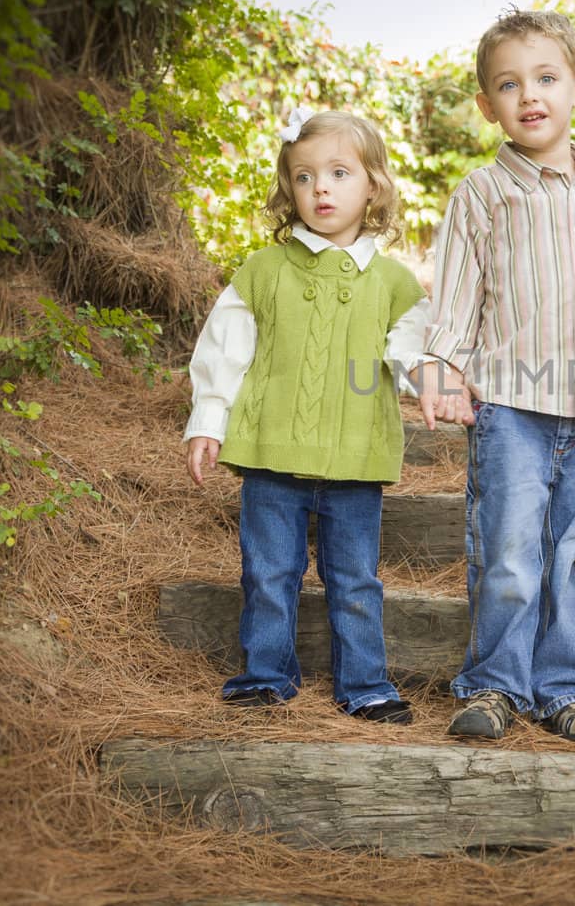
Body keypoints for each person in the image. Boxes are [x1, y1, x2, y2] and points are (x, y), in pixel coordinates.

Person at [412, 9, 575, 745]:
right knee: (508, 552)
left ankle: (565, 690)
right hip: (513, 410)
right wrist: (441, 370)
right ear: (486, 104)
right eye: (508, 83)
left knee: (565, 554)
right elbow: (457, 298)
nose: (530, 94)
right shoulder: (481, 196)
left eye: (546, 77)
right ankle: (495, 684)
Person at [184, 108, 426, 724]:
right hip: (270, 455)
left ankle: (366, 683)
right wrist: (209, 420)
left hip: (354, 457)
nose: (320, 188)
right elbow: (224, 349)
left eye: (340, 173)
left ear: (372, 184)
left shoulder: (395, 284)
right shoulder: (263, 272)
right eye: (304, 176)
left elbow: (413, 347)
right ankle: (266, 673)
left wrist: (427, 378)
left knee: (355, 581)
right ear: (287, 189)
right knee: (268, 572)